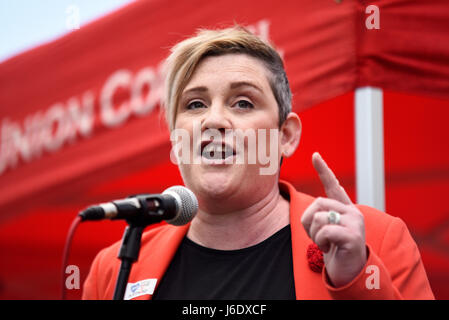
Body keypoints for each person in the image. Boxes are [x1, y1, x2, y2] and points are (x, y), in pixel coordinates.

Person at [82, 26, 434, 300]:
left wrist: (356, 279)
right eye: (195, 105)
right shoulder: (114, 269)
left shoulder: (376, 240)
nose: (213, 120)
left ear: (286, 135)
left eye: (243, 103)